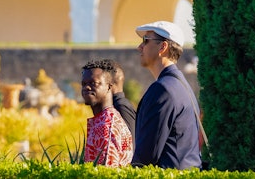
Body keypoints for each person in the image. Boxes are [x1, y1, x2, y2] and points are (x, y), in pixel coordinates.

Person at [131, 20, 201, 170]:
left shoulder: (163, 89)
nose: (139, 47)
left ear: (163, 47)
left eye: (146, 41)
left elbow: (146, 156)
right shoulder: (180, 84)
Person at [81, 60, 133, 167]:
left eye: (93, 83)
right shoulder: (101, 120)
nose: (86, 87)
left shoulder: (107, 124)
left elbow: (107, 173)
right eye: (84, 84)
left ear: (109, 86)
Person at [104, 58, 137, 143]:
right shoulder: (115, 105)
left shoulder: (121, 106)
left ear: (109, 84)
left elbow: (130, 144)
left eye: (97, 83)